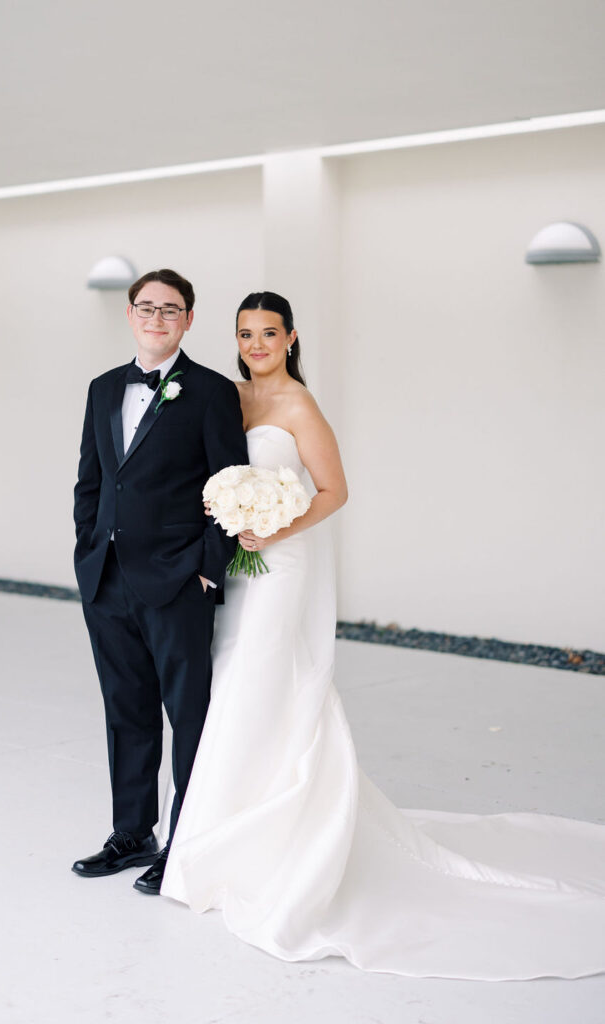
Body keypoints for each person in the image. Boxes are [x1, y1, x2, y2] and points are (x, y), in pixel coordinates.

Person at [160, 290, 605, 980]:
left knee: (265, 679)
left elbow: (333, 491)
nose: (255, 344)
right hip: (236, 564)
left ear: (290, 337)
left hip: (281, 562)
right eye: (245, 333)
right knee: (233, 682)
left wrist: (273, 523)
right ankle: (220, 830)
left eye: (268, 333)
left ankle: (268, 845)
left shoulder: (300, 407)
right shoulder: (229, 399)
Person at [72, 268, 248, 894]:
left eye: (170, 309)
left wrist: (205, 569)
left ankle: (186, 841)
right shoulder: (100, 389)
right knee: (126, 711)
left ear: (188, 320)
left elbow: (231, 485)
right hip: (107, 580)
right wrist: (86, 555)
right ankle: (131, 833)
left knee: (188, 715)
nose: (157, 318)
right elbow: (91, 482)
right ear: (129, 314)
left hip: (178, 580)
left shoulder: (210, 392)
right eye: (146, 307)